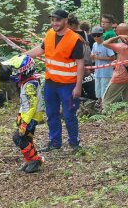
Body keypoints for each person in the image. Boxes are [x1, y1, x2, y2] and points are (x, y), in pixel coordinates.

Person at [26, 9, 84, 152]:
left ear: (65, 20)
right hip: (51, 83)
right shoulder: (50, 34)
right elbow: (39, 50)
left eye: (57, 20)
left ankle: (74, 143)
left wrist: (78, 86)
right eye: (52, 20)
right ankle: (55, 142)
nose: (54, 23)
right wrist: (23, 56)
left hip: (68, 85)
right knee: (51, 113)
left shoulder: (75, 39)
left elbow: (80, 64)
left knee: (69, 114)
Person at [4, 55, 44, 173]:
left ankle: (34, 160)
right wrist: (20, 116)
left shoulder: (30, 85)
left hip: (31, 117)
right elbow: (26, 103)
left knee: (19, 137)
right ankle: (30, 160)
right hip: (27, 116)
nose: (14, 73)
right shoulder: (27, 83)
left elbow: (32, 105)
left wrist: (25, 122)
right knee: (27, 138)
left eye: (16, 70)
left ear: (25, 70)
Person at [102, 23, 128, 107]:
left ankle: (106, 118)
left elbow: (105, 43)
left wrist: (117, 37)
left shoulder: (122, 46)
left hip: (120, 77)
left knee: (106, 101)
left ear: (119, 32)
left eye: (116, 30)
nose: (115, 31)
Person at [90, 26, 115, 107]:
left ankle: (105, 105)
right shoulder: (94, 45)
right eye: (94, 35)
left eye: (98, 35)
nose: (96, 37)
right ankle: (99, 103)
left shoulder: (106, 45)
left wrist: (99, 57)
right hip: (98, 71)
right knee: (97, 88)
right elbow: (93, 55)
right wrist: (92, 56)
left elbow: (112, 57)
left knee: (105, 89)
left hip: (106, 71)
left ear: (102, 35)